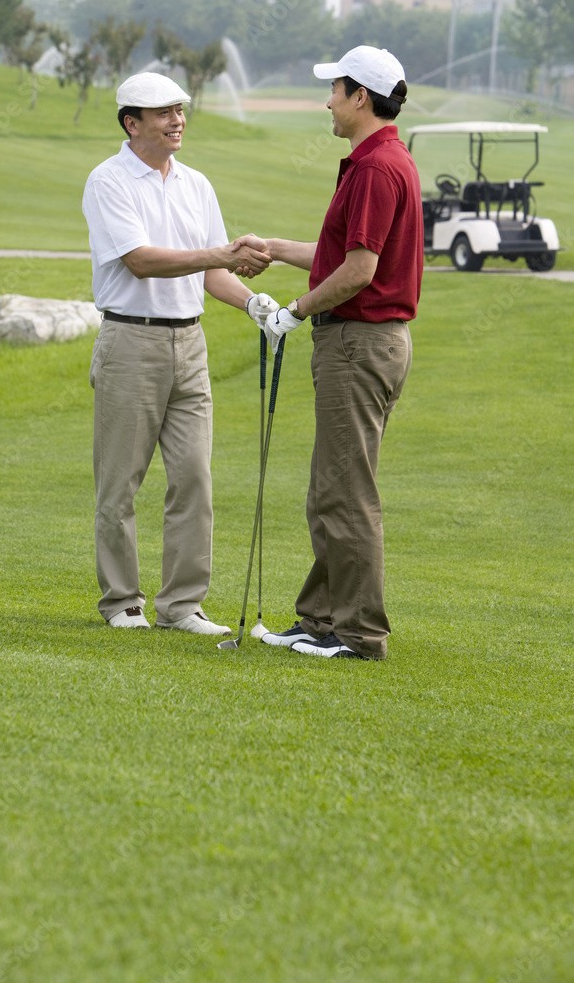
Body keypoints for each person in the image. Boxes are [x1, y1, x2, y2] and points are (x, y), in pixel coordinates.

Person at [234, 46, 423, 660]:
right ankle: (320, 619)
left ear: (359, 96)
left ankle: (359, 633)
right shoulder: (383, 158)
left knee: (344, 490)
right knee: (333, 487)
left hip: (357, 343)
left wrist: (296, 310)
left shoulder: (374, 168)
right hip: (369, 344)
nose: (327, 101)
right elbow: (343, 250)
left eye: (334, 90)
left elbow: (360, 272)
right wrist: (277, 247)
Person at [82, 73, 278, 633]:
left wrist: (255, 306)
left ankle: (181, 606)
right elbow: (141, 260)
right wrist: (220, 252)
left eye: (180, 110)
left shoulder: (196, 183)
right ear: (131, 122)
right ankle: (123, 602)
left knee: (193, 476)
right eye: (163, 112)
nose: (177, 120)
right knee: (120, 481)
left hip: (189, 342)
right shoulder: (109, 181)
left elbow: (215, 273)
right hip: (130, 341)